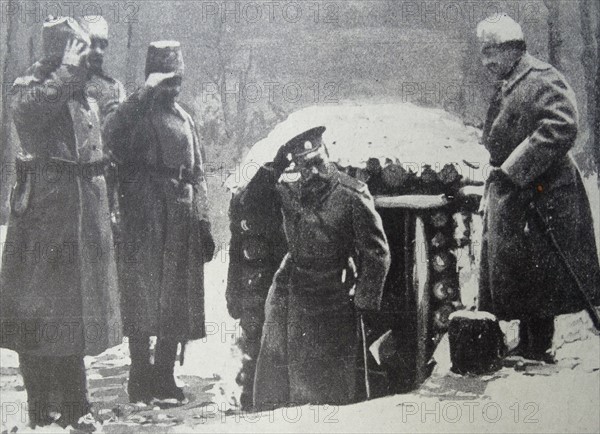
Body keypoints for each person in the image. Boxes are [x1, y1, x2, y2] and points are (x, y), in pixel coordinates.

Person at [0, 16, 122, 429]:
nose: (88, 56)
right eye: (79, 49)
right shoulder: (29, 86)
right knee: (37, 315)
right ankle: (42, 409)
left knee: (72, 312)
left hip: (78, 218)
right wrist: (66, 72)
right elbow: (30, 114)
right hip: (41, 218)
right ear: (61, 50)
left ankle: (75, 404)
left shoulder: (79, 89)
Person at [476, 14, 600, 363]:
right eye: (483, 54)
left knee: (540, 270)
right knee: (519, 267)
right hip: (518, 190)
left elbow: (562, 125)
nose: (486, 62)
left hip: (544, 192)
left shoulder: (541, 79)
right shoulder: (509, 82)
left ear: (513, 49)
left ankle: (539, 345)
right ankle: (529, 341)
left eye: (491, 53)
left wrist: (515, 168)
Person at [105, 40, 215, 405]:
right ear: (152, 79)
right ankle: (140, 374)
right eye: (166, 80)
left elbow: (198, 174)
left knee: (176, 299)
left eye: (177, 80)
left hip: (181, 219)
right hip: (144, 216)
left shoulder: (185, 118)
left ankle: (165, 373)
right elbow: (111, 135)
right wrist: (142, 95)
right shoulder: (134, 114)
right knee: (141, 296)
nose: (174, 88)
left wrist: (203, 221)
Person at [252, 126, 391, 409]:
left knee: (326, 387)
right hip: (290, 289)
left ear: (327, 156)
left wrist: (364, 299)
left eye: (318, 163)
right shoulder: (286, 187)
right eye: (305, 166)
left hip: (333, 292)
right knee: (276, 379)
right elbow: (249, 203)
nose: (313, 173)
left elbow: (377, 251)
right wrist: (272, 168)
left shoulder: (351, 194)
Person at [226, 166, 287, 410]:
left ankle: (255, 397)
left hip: (261, 286)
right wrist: (233, 295)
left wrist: (233, 295)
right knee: (257, 341)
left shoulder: (254, 202)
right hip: (257, 288)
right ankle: (253, 397)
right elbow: (237, 255)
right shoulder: (255, 201)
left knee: (258, 341)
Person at [77, 15, 125, 225]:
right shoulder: (63, 85)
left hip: (104, 184)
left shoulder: (114, 88)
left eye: (102, 45)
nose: (98, 51)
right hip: (70, 185)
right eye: (92, 43)